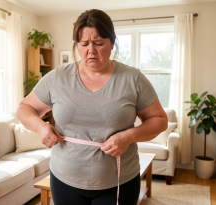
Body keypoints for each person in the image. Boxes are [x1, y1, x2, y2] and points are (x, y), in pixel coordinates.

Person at [17, 9, 168, 205]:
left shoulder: (133, 79)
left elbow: (160, 120)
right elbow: (24, 107)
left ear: (112, 42)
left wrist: (128, 136)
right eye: (84, 44)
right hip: (64, 180)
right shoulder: (57, 78)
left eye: (98, 43)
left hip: (118, 183)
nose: (91, 51)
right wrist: (40, 127)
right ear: (76, 45)